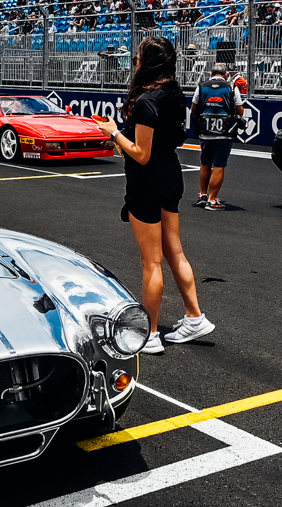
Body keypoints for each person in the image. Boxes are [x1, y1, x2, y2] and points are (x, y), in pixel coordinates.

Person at [92, 38, 210, 354]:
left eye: (139, 56)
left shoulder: (147, 101)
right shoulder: (174, 94)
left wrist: (113, 132)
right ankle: (195, 317)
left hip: (148, 180)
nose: (135, 60)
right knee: (175, 253)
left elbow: (141, 154)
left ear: (148, 62)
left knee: (152, 263)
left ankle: (152, 333)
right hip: (171, 175)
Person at [191, 62, 244, 211]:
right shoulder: (231, 88)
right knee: (219, 166)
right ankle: (212, 199)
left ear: (211, 74)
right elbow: (240, 111)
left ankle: (202, 194)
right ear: (226, 75)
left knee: (205, 163)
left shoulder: (201, 86)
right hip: (224, 132)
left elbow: (194, 109)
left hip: (205, 131)